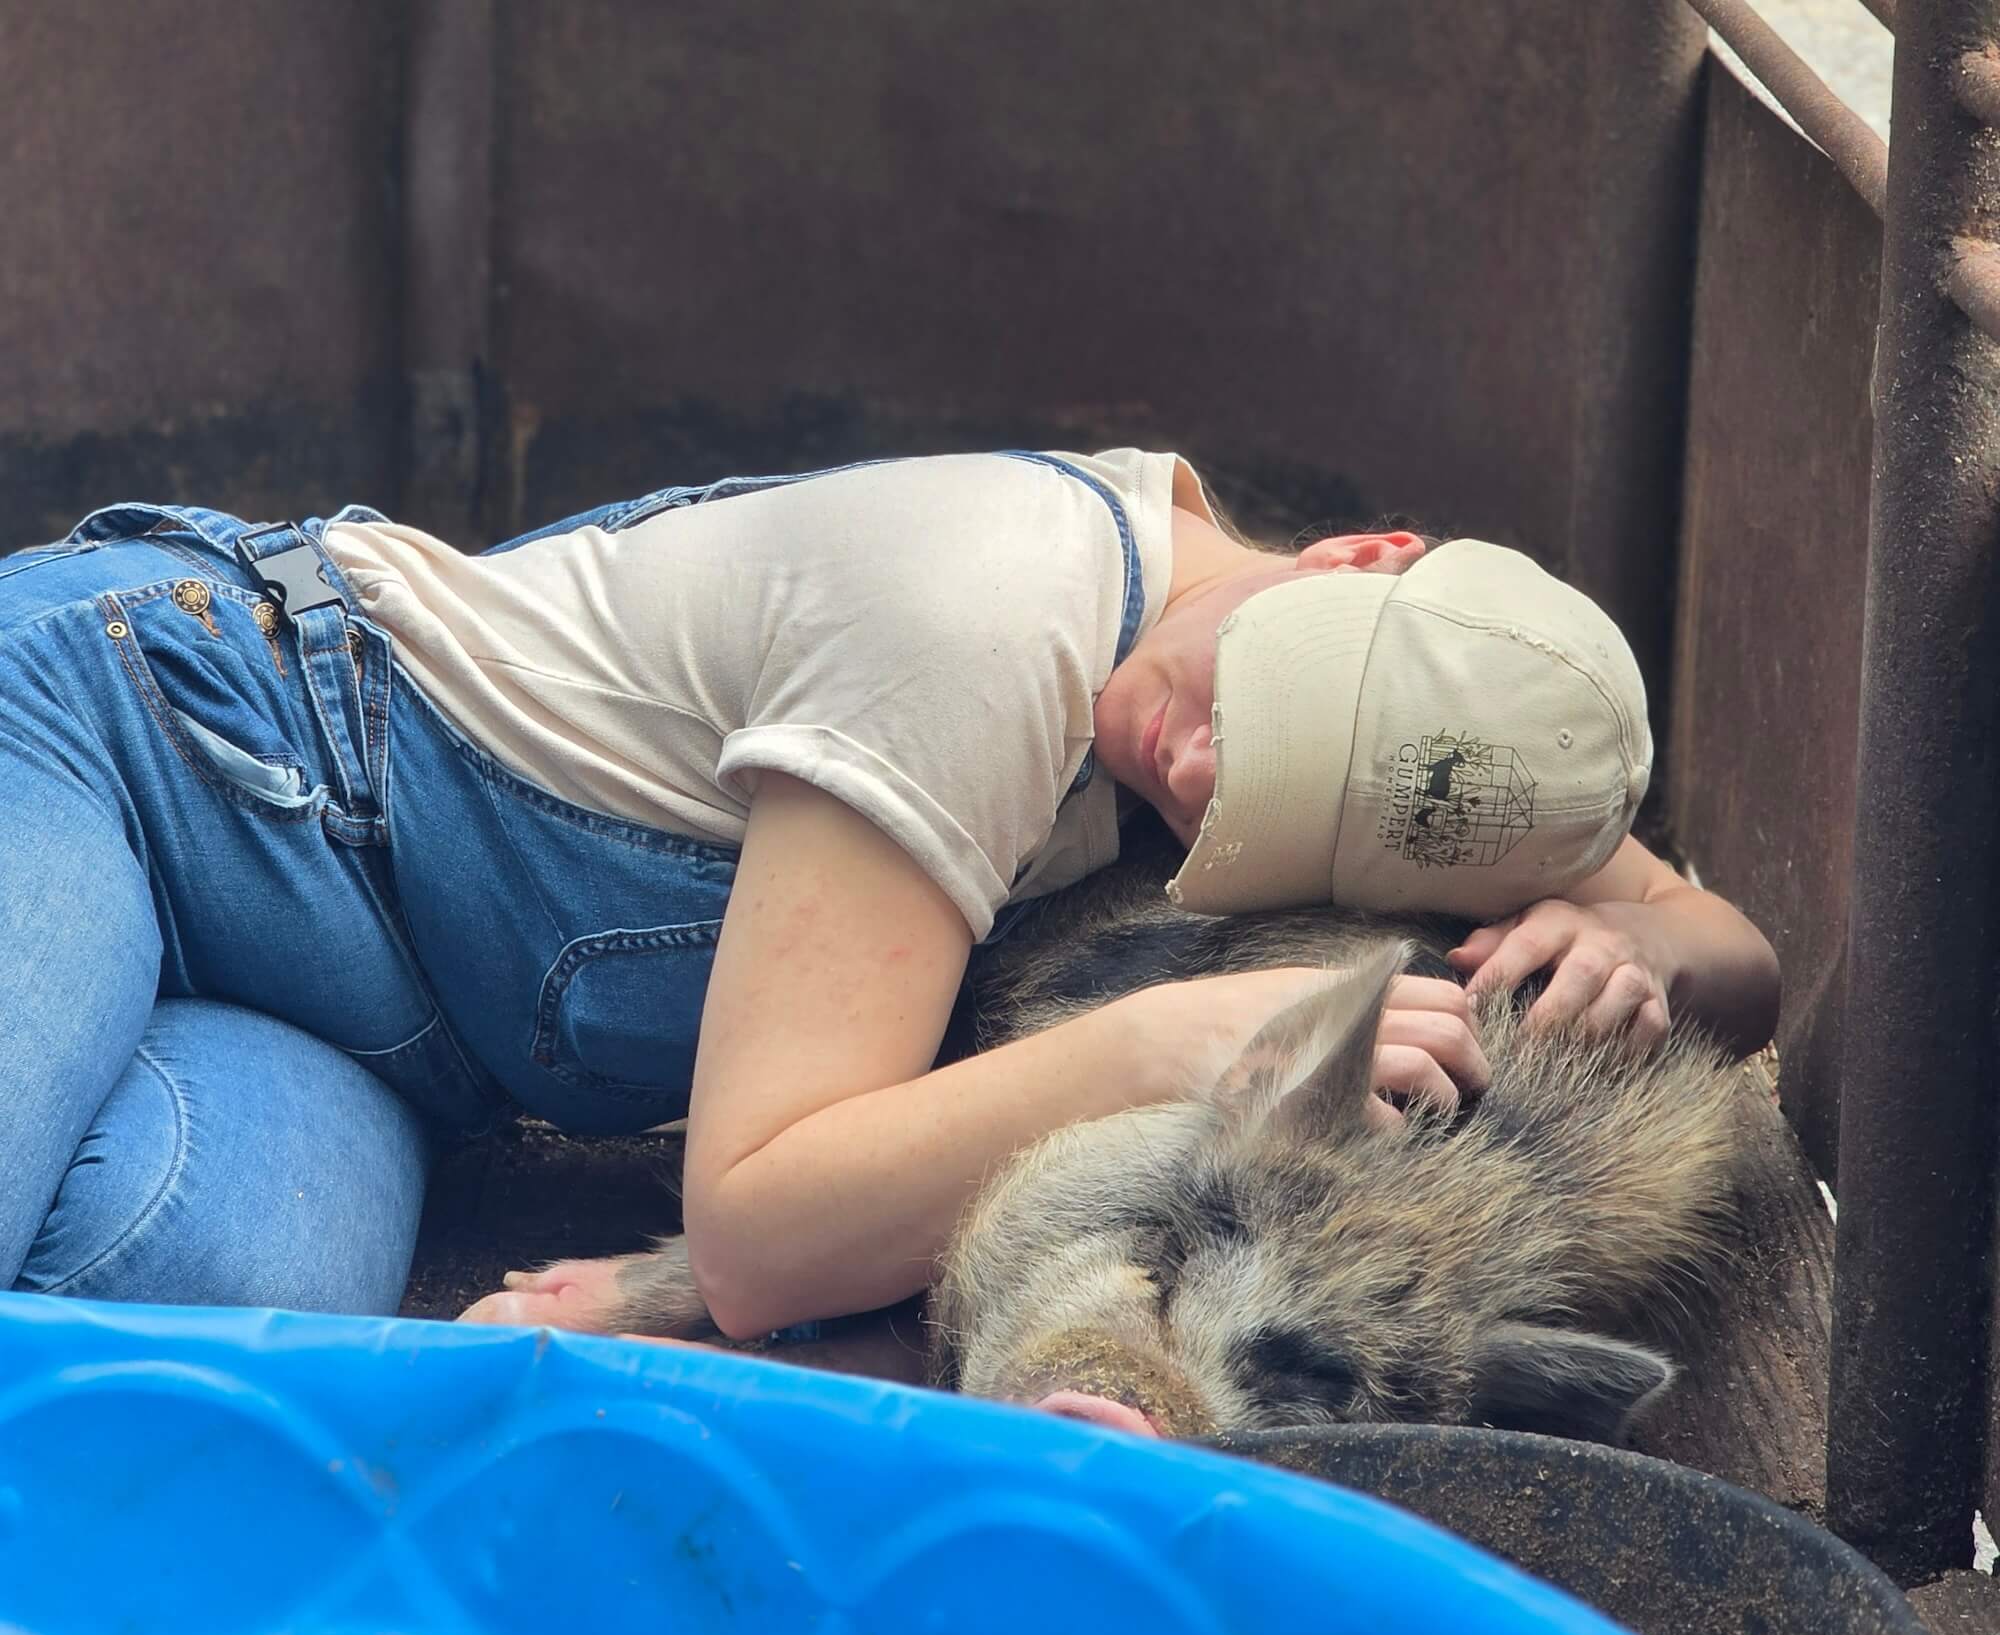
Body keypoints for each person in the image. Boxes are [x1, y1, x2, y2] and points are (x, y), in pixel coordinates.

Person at [0, 449, 1778, 1336]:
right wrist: (1173, 1047)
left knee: (163, 1320)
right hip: (133, 735)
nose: (1212, 777)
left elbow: (1739, 957)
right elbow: (767, 1231)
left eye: (1291, 800)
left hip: (369, 1035)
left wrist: (1637, 940)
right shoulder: (985, 618)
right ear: (1361, 558)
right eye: (1279, 709)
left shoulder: (1418, 721)